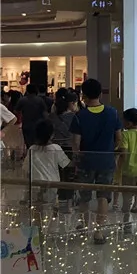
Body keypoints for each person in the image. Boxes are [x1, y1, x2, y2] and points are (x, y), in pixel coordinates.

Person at [71, 78, 123, 244]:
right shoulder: (112, 113)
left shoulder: (80, 116)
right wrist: (110, 149)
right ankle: (99, 232)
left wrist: (78, 156)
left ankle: (84, 227)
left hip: (86, 161)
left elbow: (76, 143)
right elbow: (119, 138)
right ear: (100, 94)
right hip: (106, 161)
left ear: (83, 95)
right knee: (103, 196)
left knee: (84, 197)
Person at [28, 120, 70, 208]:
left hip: (35, 183)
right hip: (52, 184)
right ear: (52, 135)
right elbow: (66, 164)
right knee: (49, 207)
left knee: (36, 207)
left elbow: (26, 167)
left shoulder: (32, 148)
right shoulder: (55, 148)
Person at [50, 88, 80, 217]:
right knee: (69, 177)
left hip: (55, 149)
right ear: (71, 103)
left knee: (56, 175)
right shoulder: (74, 117)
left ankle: (55, 203)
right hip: (69, 149)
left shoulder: (52, 117)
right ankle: (68, 205)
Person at [18, 84, 47, 150]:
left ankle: (30, 153)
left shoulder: (22, 100)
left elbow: (16, 110)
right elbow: (45, 113)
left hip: (26, 125)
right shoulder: (40, 100)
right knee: (37, 143)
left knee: (28, 143)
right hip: (38, 125)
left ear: (27, 91)